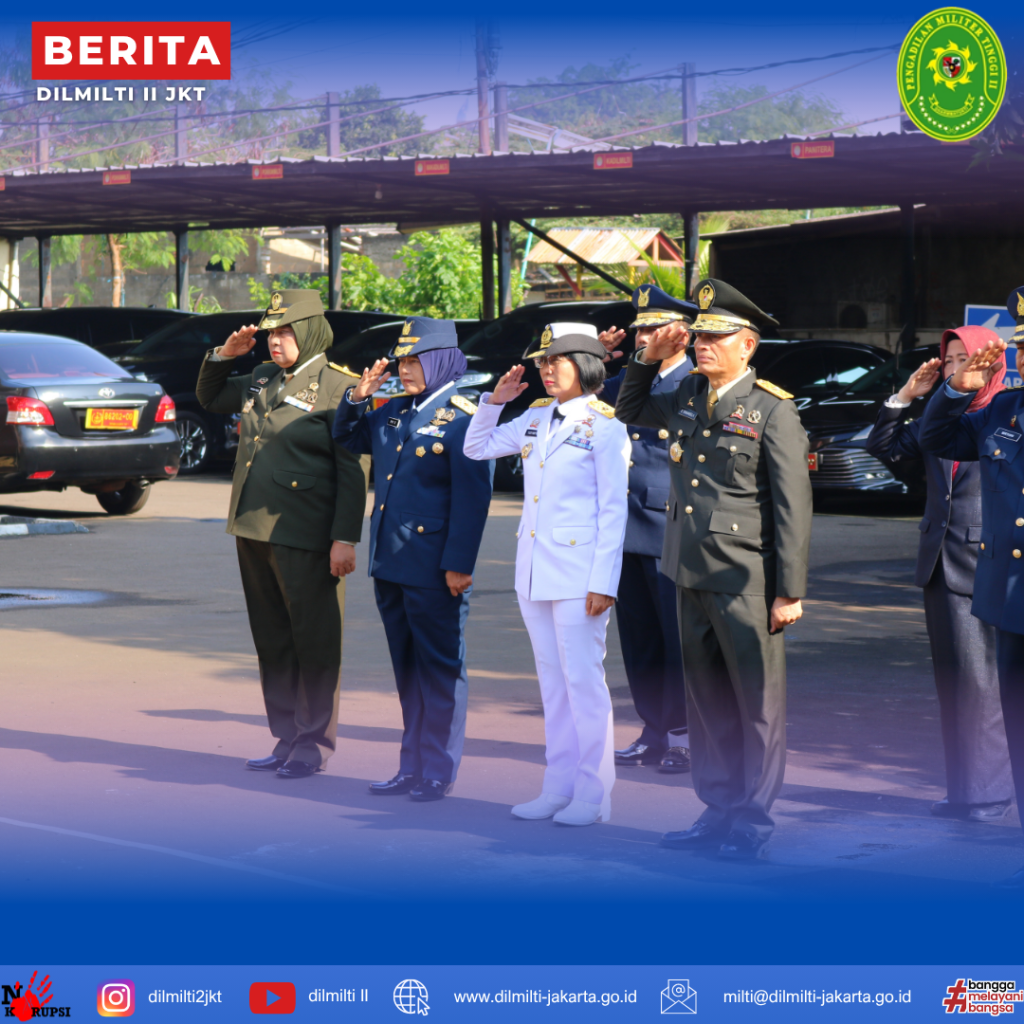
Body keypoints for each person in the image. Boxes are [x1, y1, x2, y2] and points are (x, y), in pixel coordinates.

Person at [613, 278, 812, 860]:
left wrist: (789, 591)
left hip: (746, 580)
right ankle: (717, 809)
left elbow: (792, 508)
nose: (702, 346)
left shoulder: (772, 409)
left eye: (715, 338)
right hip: (688, 572)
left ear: (747, 345)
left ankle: (752, 823)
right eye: (698, 337)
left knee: (755, 707)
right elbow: (629, 409)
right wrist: (647, 357)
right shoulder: (687, 395)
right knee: (706, 704)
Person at [196, 289, 368, 779]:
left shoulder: (339, 387)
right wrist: (223, 356)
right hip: (253, 527)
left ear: (311, 331)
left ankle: (313, 743)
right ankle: (286, 735)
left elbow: (354, 468)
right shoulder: (262, 377)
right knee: (272, 638)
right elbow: (211, 398)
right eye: (272, 331)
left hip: (307, 532)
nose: (275, 340)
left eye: (286, 331)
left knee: (314, 640)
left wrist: (345, 537)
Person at [464, 322, 630, 826]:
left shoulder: (606, 427)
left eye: (556, 360)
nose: (546, 369)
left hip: (580, 576)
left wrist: (604, 582)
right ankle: (558, 787)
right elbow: (477, 448)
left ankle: (593, 795)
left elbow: (613, 511)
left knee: (583, 684)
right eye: (542, 361)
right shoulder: (536, 417)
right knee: (553, 686)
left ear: (585, 365)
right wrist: (493, 403)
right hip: (534, 570)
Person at [332, 317, 493, 802]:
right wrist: (357, 398)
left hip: (435, 566)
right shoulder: (395, 410)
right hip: (391, 562)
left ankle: (438, 770)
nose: (405, 370)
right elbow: (348, 438)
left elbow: (473, 499)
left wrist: (459, 563)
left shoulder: (466, 415)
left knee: (439, 670)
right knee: (407, 671)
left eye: (415, 361)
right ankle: (411, 767)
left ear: (440, 361)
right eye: (402, 360)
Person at [867, 326, 1012, 822]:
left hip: (988, 563)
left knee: (982, 685)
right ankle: (965, 789)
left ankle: (989, 795)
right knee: (955, 685)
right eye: (947, 360)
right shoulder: (943, 417)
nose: (953, 368)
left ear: (990, 363)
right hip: (939, 563)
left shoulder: (1003, 414)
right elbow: (884, 447)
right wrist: (906, 397)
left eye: (961, 359)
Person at [917, 286, 1024, 887]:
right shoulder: (1004, 410)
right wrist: (956, 389)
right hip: (1009, 598)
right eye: (1023, 348)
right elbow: (936, 440)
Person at [598, 285, 697, 773]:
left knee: (676, 639)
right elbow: (577, 391)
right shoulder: (628, 378)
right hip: (625, 521)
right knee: (640, 640)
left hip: (667, 523)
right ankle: (653, 730)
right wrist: (595, 356)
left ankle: (684, 735)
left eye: (653, 329)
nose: (643, 337)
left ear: (681, 334)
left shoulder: (695, 381)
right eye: (639, 329)